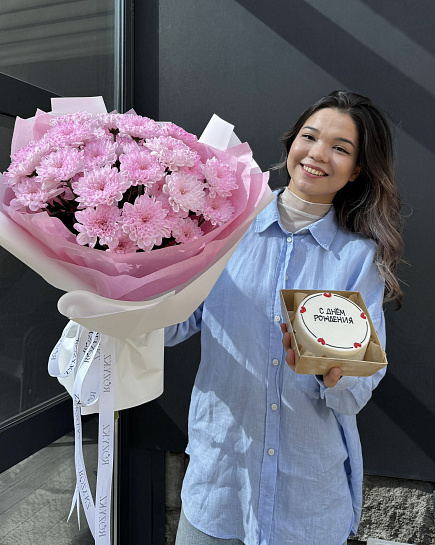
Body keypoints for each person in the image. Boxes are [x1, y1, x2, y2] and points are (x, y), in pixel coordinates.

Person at [165, 90, 403, 545]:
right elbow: (177, 324)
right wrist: (122, 294)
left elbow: (356, 390)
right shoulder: (227, 225)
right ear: (291, 142)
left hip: (307, 502)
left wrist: (333, 374)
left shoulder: (357, 259)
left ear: (356, 170)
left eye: (340, 148)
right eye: (309, 137)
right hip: (220, 483)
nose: (318, 154)